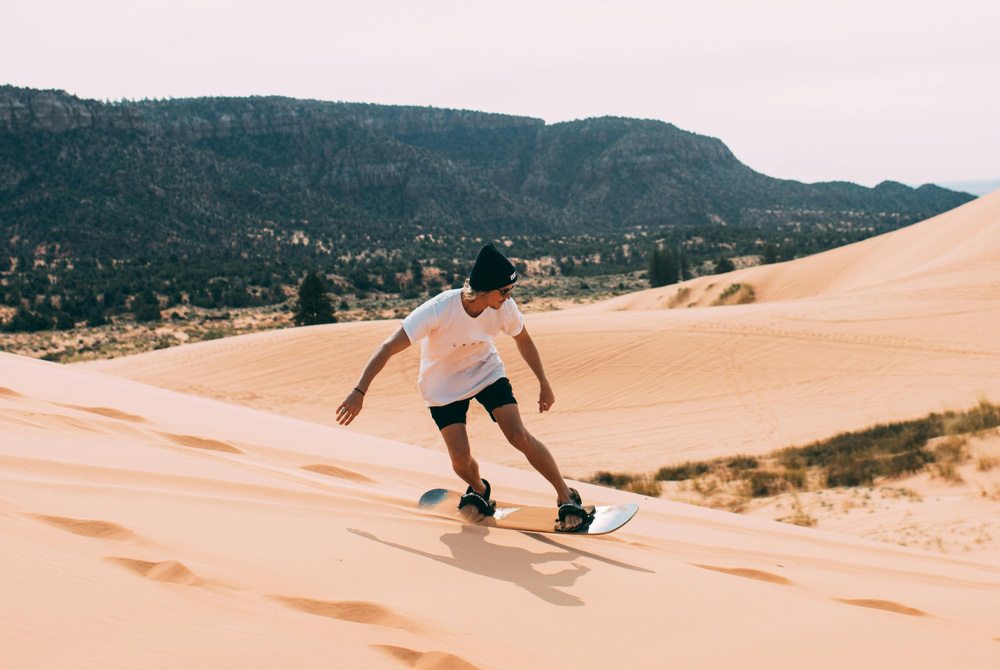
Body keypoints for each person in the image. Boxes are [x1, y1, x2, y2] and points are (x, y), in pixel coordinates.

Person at [336, 242, 590, 531]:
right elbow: (388, 347)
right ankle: (479, 489)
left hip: (485, 372)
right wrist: (359, 391)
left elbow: (524, 340)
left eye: (511, 291)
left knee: (518, 435)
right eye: (504, 291)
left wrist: (544, 382)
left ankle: (566, 495)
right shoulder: (439, 310)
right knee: (459, 458)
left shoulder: (504, 309)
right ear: (484, 289)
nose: (509, 298)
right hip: (442, 385)